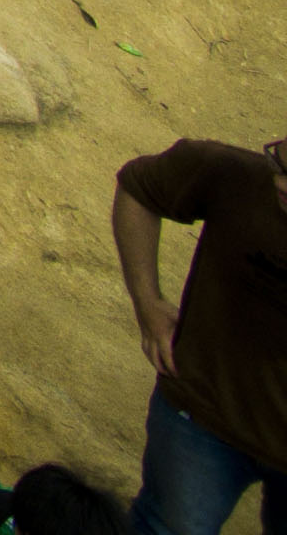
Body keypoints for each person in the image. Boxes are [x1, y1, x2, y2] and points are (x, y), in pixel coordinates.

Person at [112, 134, 287, 535]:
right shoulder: (234, 175)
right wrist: (148, 303)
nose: (282, 183)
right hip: (200, 416)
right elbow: (139, 189)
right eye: (280, 163)